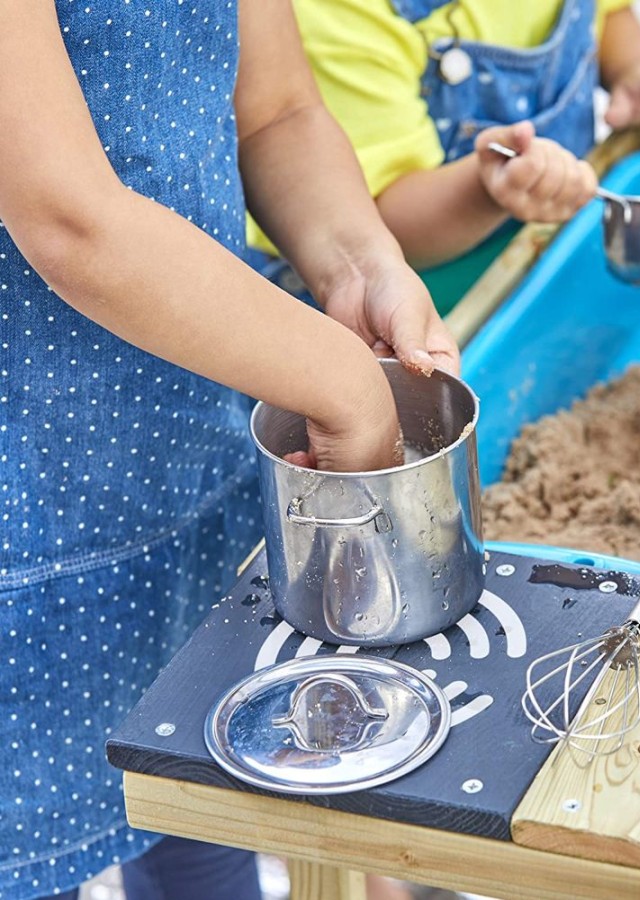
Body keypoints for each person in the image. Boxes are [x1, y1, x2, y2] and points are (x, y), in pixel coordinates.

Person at [0, 1, 457, 899]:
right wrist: (346, 387)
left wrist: (360, 262)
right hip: (26, 513)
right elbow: (68, 220)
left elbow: (277, 108)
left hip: (182, 454)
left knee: (200, 803)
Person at [247, 0, 640, 278]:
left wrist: (635, 71)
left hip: (542, 241)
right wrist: (486, 186)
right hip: (414, 284)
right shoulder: (334, 16)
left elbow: (606, 12)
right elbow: (371, 224)